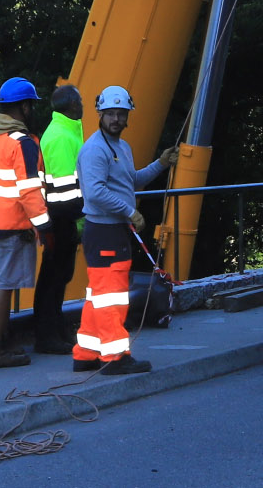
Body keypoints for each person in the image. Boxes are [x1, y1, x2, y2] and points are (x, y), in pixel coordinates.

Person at [72, 85, 176, 375]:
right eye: (111, 114)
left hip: (112, 231)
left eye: (121, 114)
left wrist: (160, 164)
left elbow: (130, 181)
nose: (116, 119)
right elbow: (94, 193)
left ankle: (86, 353)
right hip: (105, 231)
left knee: (99, 296)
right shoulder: (94, 149)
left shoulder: (121, 147)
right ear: (100, 115)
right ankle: (116, 357)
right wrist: (129, 211)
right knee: (112, 297)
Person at [0, 77, 50, 369]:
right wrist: (43, 226)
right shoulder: (22, 143)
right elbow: (29, 190)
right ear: (24, 107)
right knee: (3, 287)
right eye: (31, 105)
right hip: (10, 225)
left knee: (0, 284)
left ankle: (3, 341)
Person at [32, 84, 85, 355]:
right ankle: (48, 335)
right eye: (80, 101)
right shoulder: (63, 136)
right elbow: (67, 191)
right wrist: (79, 222)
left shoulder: (63, 132)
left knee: (55, 275)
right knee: (56, 276)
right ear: (71, 105)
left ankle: (53, 330)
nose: (84, 105)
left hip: (57, 216)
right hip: (62, 217)